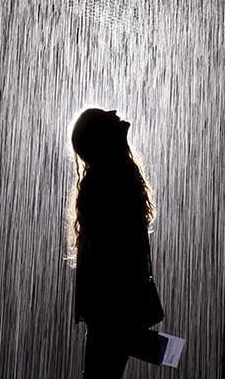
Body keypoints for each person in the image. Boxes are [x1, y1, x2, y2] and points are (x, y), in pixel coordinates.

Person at [67, 108, 165, 378]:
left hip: (110, 308)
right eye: (106, 116)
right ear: (103, 138)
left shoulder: (112, 179)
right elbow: (108, 255)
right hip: (113, 308)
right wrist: (122, 304)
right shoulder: (109, 182)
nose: (115, 113)